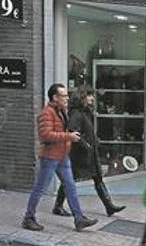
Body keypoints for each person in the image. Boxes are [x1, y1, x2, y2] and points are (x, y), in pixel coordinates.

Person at [22, 84, 98, 232]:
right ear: (55, 97)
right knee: (40, 188)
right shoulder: (47, 113)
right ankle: (28, 218)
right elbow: (45, 135)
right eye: (63, 96)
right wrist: (68, 136)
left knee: (71, 187)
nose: (67, 98)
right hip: (50, 157)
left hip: (63, 156)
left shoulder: (61, 112)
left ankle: (79, 219)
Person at [53, 87, 126, 218]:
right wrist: (86, 145)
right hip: (80, 154)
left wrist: (94, 141)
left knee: (98, 177)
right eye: (89, 96)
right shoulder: (76, 113)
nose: (92, 98)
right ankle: (58, 206)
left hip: (90, 152)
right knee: (70, 179)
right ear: (82, 97)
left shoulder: (86, 112)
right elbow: (72, 131)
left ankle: (109, 206)